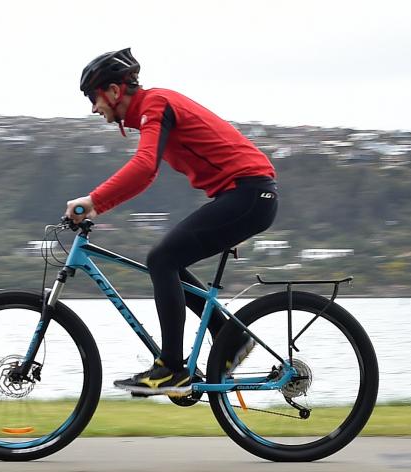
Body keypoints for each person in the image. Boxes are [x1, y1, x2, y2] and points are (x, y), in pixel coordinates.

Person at [65, 48, 278, 397]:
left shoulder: (156, 104)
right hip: (243, 197)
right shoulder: (153, 111)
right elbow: (150, 174)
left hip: (249, 195)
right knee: (168, 261)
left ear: (115, 91)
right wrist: (100, 206)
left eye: (93, 97)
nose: (93, 107)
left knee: (161, 259)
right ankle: (231, 338)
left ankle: (171, 369)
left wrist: (93, 201)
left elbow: (145, 167)